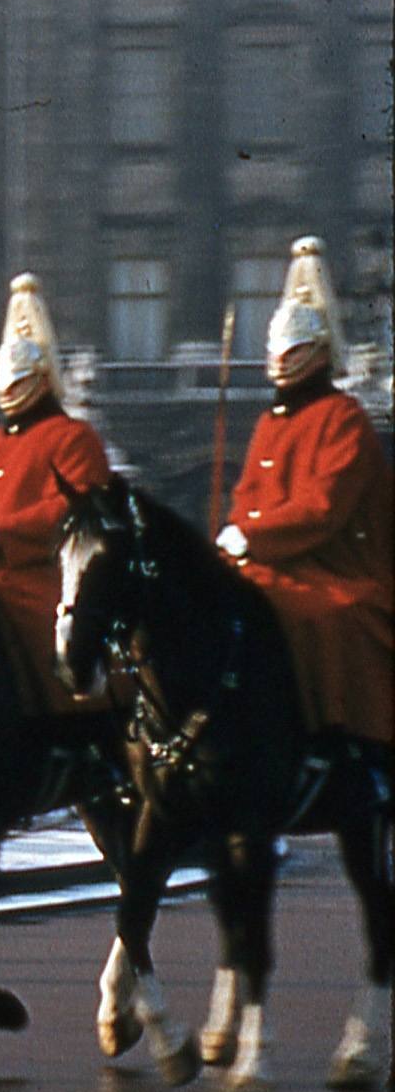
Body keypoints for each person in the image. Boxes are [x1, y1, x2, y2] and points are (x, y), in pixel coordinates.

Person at [217, 236, 392, 748]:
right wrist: (238, 532)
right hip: (267, 562)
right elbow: (247, 492)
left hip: (335, 568)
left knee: (324, 617)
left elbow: (323, 509)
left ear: (316, 353)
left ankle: (340, 741)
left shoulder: (345, 419)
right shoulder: (270, 423)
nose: (281, 359)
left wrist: (252, 534)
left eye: (293, 350)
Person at [0, 273, 115, 710]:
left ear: (42, 379)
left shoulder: (72, 437)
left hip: (36, 580)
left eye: (19, 380)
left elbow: (76, 510)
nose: (8, 392)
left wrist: (4, 533)